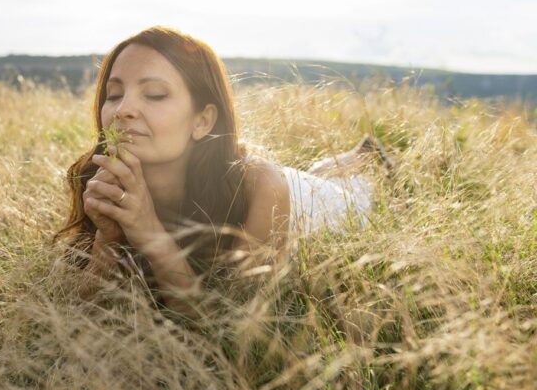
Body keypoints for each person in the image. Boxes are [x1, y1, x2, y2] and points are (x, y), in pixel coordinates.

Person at [53, 25, 392, 319]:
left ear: (202, 121)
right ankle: (357, 155)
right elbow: (79, 318)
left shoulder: (260, 189)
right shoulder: (99, 178)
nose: (123, 109)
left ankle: (369, 158)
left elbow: (230, 330)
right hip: (272, 177)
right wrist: (108, 240)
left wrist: (152, 235)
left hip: (315, 201)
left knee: (354, 188)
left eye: (154, 94)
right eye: (114, 94)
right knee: (319, 170)